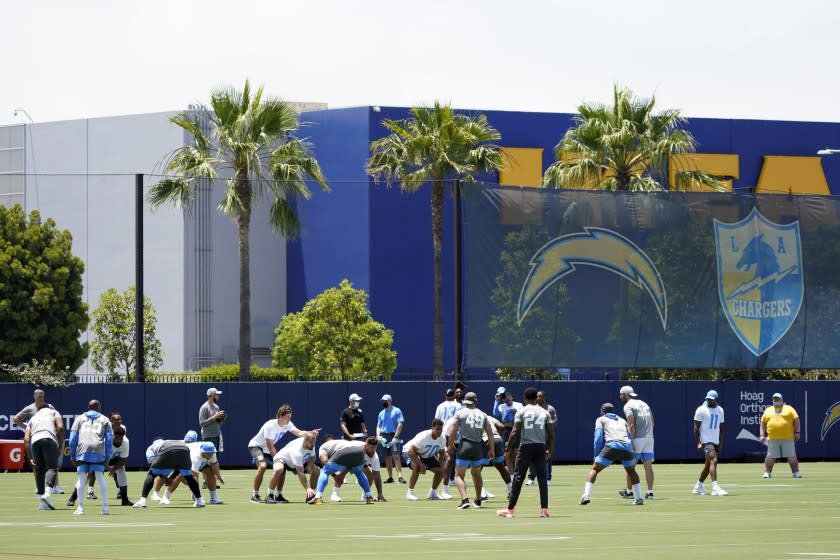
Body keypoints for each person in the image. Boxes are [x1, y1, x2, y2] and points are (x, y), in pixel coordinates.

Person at [497, 387, 554, 518]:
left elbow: (515, 431)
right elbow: (551, 434)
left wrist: (508, 448)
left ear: (525, 398)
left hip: (526, 447)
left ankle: (510, 509)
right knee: (542, 478)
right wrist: (550, 450)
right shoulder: (544, 412)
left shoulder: (521, 411)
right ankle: (544, 509)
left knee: (518, 477)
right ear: (536, 398)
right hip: (540, 446)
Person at [247, 405, 319, 503]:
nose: (289, 419)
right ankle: (255, 495)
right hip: (256, 447)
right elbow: (270, 445)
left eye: (290, 417)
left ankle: (278, 495)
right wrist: (277, 460)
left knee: (281, 468)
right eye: (287, 417)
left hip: (267, 450)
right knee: (263, 466)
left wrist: (310, 433)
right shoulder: (270, 425)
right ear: (280, 416)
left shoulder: (288, 424)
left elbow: (299, 433)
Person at [579, 402, 644, 506]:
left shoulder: (600, 419)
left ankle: (586, 495)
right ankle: (639, 498)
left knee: (595, 469)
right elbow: (629, 436)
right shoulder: (622, 420)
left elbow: (598, 438)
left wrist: (596, 455)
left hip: (612, 445)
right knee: (632, 471)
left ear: (602, 411)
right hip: (627, 446)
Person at [447, 391, 495, 510]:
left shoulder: (460, 413)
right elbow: (490, 433)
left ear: (465, 401)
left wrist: (450, 444)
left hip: (465, 445)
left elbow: (453, 430)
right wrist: (492, 449)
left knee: (459, 475)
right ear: (475, 401)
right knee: (477, 473)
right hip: (478, 446)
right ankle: (478, 500)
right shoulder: (483, 414)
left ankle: (464, 499)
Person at [14, 389, 65, 495]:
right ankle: (39, 487)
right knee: (38, 465)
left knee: (52, 463)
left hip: (49, 436)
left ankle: (55, 486)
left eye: (42, 396)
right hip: (36, 437)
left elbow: (57, 423)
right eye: (39, 396)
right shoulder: (29, 408)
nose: (41, 398)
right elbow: (16, 419)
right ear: (34, 396)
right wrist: (28, 428)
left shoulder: (50, 407)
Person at [132, 439, 207, 508]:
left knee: (151, 474)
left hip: (168, 450)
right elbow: (179, 466)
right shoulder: (168, 442)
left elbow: (153, 465)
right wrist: (171, 478)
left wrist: (164, 478)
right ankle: (199, 501)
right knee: (189, 477)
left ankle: (142, 501)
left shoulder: (150, 448)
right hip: (185, 449)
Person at [68, 400, 113, 515]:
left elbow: (73, 439)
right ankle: (105, 508)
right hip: (97, 449)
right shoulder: (105, 419)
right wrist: (107, 458)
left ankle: (80, 508)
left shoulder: (79, 418)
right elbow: (109, 440)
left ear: (88, 407)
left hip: (83, 449)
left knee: (82, 479)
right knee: (100, 477)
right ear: (99, 407)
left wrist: (73, 456)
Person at [308, 436, 378, 505]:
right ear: (366, 446)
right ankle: (369, 497)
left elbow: (326, 463)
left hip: (345, 452)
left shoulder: (363, 448)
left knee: (325, 471)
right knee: (359, 473)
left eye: (375, 448)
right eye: (371, 448)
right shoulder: (323, 448)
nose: (373, 450)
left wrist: (340, 474)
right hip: (346, 451)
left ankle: (318, 497)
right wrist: (335, 475)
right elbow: (325, 461)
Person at [23, 401, 64, 510]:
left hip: (35, 441)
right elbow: (60, 428)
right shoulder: (54, 412)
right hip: (48, 438)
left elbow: (26, 438)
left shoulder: (33, 418)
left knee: (39, 469)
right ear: (49, 408)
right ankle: (47, 494)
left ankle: (42, 502)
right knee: (52, 467)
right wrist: (60, 446)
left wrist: (30, 457)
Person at [618, 385, 655, 500]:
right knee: (648, 466)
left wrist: (631, 440)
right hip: (649, 437)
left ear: (626, 394)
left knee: (630, 467)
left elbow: (631, 424)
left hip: (637, 438)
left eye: (621, 395)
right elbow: (653, 422)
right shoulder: (644, 403)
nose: (620, 397)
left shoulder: (628, 406)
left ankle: (629, 492)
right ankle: (650, 492)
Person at [161, 441, 225, 505]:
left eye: (211, 453)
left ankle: (213, 498)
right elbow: (194, 477)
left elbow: (214, 463)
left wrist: (218, 476)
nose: (210, 455)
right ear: (203, 452)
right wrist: (198, 495)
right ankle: (165, 497)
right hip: (185, 458)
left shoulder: (212, 452)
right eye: (208, 454)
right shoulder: (195, 457)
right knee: (180, 475)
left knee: (211, 472)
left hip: (201, 460)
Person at [266, 432, 320, 503]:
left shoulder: (311, 443)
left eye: (314, 442)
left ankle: (311, 496)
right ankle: (269, 495)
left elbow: (313, 457)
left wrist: (309, 466)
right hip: (282, 458)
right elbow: (300, 472)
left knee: (316, 470)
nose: (313, 445)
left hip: (298, 460)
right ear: (305, 441)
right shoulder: (297, 451)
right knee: (279, 469)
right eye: (311, 443)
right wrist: (307, 488)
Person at [692, 390, 727, 496]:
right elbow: (696, 428)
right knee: (714, 460)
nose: (709, 400)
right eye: (708, 399)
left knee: (708, 465)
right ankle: (715, 487)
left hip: (715, 440)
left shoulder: (720, 410)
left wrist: (720, 443)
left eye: (711, 399)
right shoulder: (701, 409)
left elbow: (721, 428)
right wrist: (698, 442)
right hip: (706, 441)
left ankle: (698, 486)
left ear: (716, 399)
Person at [403, 419, 448, 501]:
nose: (439, 431)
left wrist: (441, 468)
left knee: (440, 472)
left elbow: (441, 454)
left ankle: (432, 494)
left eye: (441, 429)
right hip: (409, 452)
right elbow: (410, 451)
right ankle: (409, 493)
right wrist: (421, 464)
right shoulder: (423, 436)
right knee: (417, 466)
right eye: (437, 429)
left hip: (425, 455)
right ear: (432, 428)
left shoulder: (442, 438)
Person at [759, 392, 802, 478]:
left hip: (787, 438)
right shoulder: (768, 410)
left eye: (778, 399)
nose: (776, 400)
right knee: (770, 457)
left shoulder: (789, 409)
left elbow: (796, 420)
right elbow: (763, 423)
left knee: (791, 456)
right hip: (772, 438)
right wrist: (762, 434)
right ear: (772, 400)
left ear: (782, 400)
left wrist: (797, 432)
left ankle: (796, 473)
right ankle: (767, 473)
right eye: (774, 399)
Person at [526, 390, 558, 486]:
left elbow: (555, 422)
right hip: (534, 437)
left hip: (546, 438)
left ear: (544, 397)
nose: (539, 398)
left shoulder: (550, 409)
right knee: (531, 458)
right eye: (537, 396)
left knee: (547, 457)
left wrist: (545, 423)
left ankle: (548, 478)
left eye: (540, 396)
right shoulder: (532, 409)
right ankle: (531, 478)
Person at [376, 394, 405, 483]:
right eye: (383, 401)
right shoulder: (381, 413)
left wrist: (396, 437)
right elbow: (378, 426)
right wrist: (378, 435)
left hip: (393, 435)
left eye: (385, 401)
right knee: (387, 457)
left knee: (396, 456)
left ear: (390, 401)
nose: (384, 402)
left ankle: (400, 477)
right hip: (383, 437)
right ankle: (390, 477)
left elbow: (400, 423)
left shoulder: (396, 410)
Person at [199, 387, 226, 455]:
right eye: (217, 394)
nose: (218, 396)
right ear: (212, 395)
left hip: (217, 435)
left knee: (217, 456)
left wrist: (222, 419)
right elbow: (201, 423)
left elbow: (217, 422)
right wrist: (214, 417)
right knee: (209, 458)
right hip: (208, 437)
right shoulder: (204, 407)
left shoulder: (216, 407)